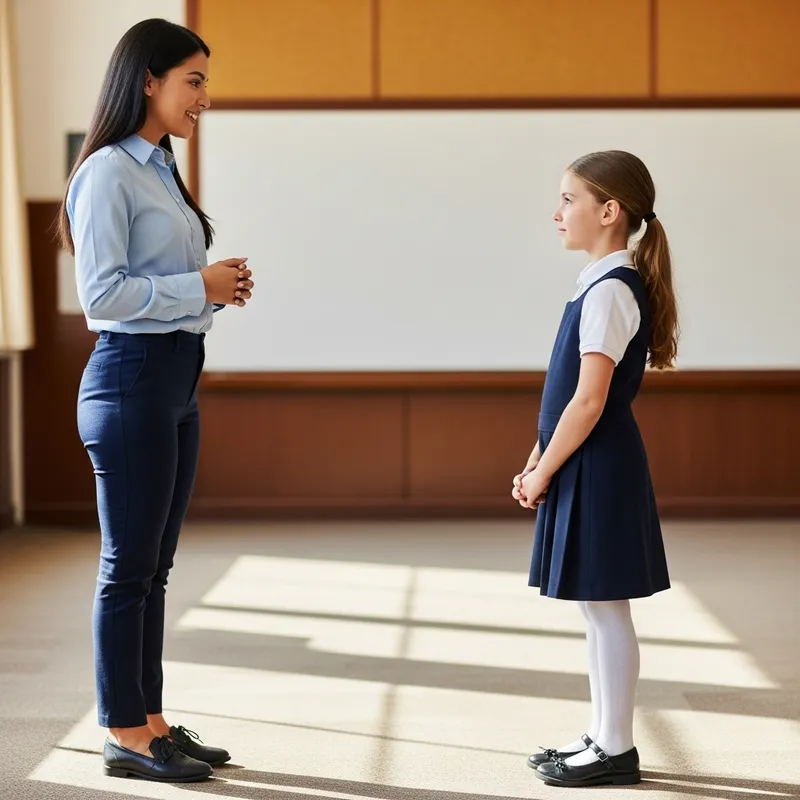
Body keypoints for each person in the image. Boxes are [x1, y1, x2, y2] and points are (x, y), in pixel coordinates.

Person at [56, 18, 253, 783]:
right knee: (127, 567)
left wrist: (212, 295)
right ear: (149, 79)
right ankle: (122, 732)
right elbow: (102, 296)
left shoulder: (160, 165)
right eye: (194, 80)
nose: (205, 97)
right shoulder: (107, 170)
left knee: (154, 567)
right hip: (130, 381)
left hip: (174, 380)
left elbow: (158, 289)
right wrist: (196, 287)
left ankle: (151, 718)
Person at [511, 150, 678, 788]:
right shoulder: (598, 282)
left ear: (609, 212)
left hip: (598, 466)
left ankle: (616, 746)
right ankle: (602, 732)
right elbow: (568, 400)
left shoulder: (611, 289)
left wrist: (543, 471)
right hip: (586, 460)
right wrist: (538, 458)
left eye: (568, 200)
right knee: (594, 606)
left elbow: (589, 400)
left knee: (606, 608)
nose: (557, 213)